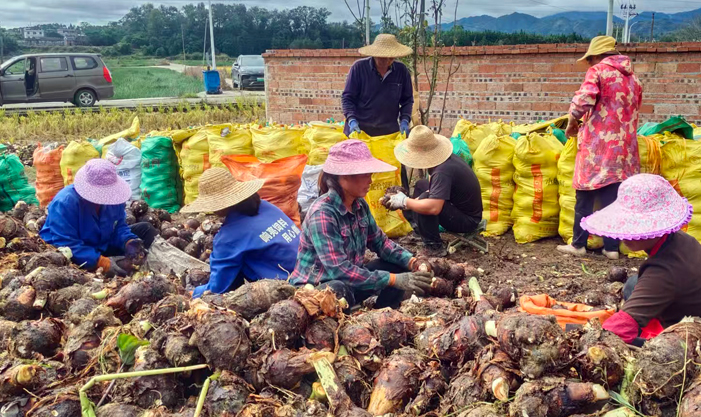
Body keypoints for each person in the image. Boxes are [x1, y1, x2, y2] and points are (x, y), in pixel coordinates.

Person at [581, 173, 701, 344]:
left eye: (637, 223)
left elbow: (616, 332)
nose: (626, 232)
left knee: (611, 340)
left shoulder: (663, 271)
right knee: (633, 284)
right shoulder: (680, 240)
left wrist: (583, 338)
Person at [290, 139, 432, 308]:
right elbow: (339, 271)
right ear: (344, 176)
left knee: (397, 265)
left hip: (350, 283)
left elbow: (381, 243)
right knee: (337, 289)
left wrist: (412, 262)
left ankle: (385, 315)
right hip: (317, 291)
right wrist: (392, 279)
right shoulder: (323, 214)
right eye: (365, 175)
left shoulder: (359, 205)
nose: (370, 181)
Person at [557, 35, 643, 260]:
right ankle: (611, 248)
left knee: (584, 193)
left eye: (590, 59)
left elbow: (584, 99)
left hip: (599, 144)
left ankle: (578, 244)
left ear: (596, 55)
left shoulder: (598, 71)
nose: (589, 63)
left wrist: (572, 121)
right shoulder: (634, 79)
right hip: (625, 148)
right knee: (611, 197)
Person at [181, 168, 301, 298]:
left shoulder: (228, 237)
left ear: (218, 206)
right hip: (308, 270)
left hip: (290, 286)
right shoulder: (266, 206)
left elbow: (216, 289)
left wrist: (194, 294)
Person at [41, 159, 156, 277]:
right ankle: (99, 262)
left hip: (101, 242)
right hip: (71, 249)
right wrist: (101, 262)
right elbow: (65, 243)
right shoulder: (65, 202)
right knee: (65, 258)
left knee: (145, 229)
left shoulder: (115, 198)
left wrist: (129, 242)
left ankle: (127, 261)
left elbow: (119, 227)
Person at [386, 125, 482, 257]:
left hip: (467, 221)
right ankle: (420, 231)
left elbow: (434, 208)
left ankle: (434, 247)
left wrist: (405, 202)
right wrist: (414, 201)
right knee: (421, 185)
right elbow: (431, 188)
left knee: (426, 201)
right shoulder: (444, 162)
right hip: (457, 208)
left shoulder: (443, 171)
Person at [342, 34, 414, 137]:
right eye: (383, 58)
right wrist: (351, 119)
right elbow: (347, 98)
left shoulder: (401, 71)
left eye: (391, 58)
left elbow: (407, 100)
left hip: (389, 132)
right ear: (375, 55)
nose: (387, 61)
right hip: (360, 130)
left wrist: (405, 120)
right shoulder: (359, 68)